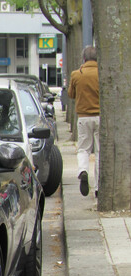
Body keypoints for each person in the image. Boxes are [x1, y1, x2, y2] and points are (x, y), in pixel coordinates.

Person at [68, 45, 100, 197]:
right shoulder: (102, 72)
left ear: (84, 58)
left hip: (83, 117)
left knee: (83, 149)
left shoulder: (76, 74)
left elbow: (71, 94)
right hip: (101, 117)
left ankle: (83, 170)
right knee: (100, 151)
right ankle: (99, 187)